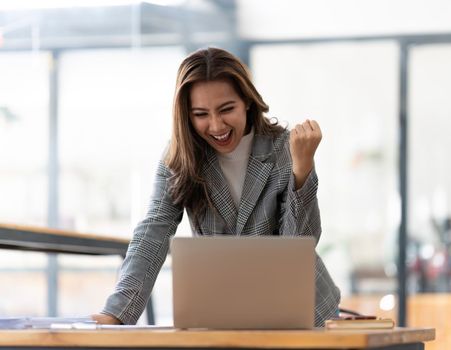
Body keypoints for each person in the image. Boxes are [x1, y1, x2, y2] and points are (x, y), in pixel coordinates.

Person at [91, 47, 340, 327]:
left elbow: (299, 247)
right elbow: (153, 233)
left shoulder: (285, 148)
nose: (216, 125)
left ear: (247, 101)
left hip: (304, 313)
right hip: (223, 313)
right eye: (200, 114)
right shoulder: (180, 157)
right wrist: (117, 313)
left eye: (226, 109)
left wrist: (302, 168)